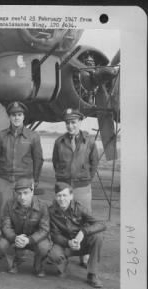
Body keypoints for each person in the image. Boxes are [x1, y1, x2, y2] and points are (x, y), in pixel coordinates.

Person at [52, 108, 99, 266]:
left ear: (79, 122)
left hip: (82, 186)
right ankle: (62, 249)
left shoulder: (89, 141)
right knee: (62, 218)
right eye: (67, 123)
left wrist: (86, 179)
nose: (70, 126)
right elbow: (55, 163)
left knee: (84, 219)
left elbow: (94, 163)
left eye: (73, 122)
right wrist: (62, 180)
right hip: (65, 186)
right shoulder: (59, 142)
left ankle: (84, 254)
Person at [0, 101, 43, 223]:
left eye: (19, 114)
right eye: (13, 115)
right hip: (5, 180)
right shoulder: (1, 136)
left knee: (24, 211)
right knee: (4, 211)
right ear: (9, 117)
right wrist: (0, 175)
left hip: (24, 180)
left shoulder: (33, 136)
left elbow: (38, 159)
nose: (16, 117)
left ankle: (22, 238)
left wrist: (35, 179)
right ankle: (4, 237)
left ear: (23, 117)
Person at [48, 182, 106, 288]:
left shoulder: (79, 208)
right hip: (66, 244)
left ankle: (92, 274)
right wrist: (68, 242)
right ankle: (63, 262)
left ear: (71, 196)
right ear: (55, 197)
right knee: (54, 254)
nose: (62, 199)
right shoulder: (51, 211)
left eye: (64, 195)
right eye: (59, 195)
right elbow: (54, 235)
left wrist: (83, 232)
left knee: (98, 237)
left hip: (82, 243)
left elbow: (101, 224)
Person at [0, 178, 51, 277]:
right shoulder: (9, 205)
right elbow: (5, 226)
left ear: (32, 191)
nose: (22, 197)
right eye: (19, 193)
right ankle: (14, 261)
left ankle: (38, 265)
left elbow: (44, 229)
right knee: (2, 244)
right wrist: (15, 238)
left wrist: (29, 240)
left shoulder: (42, 206)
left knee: (44, 247)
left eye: (26, 193)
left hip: (34, 239)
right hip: (16, 238)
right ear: (15, 193)